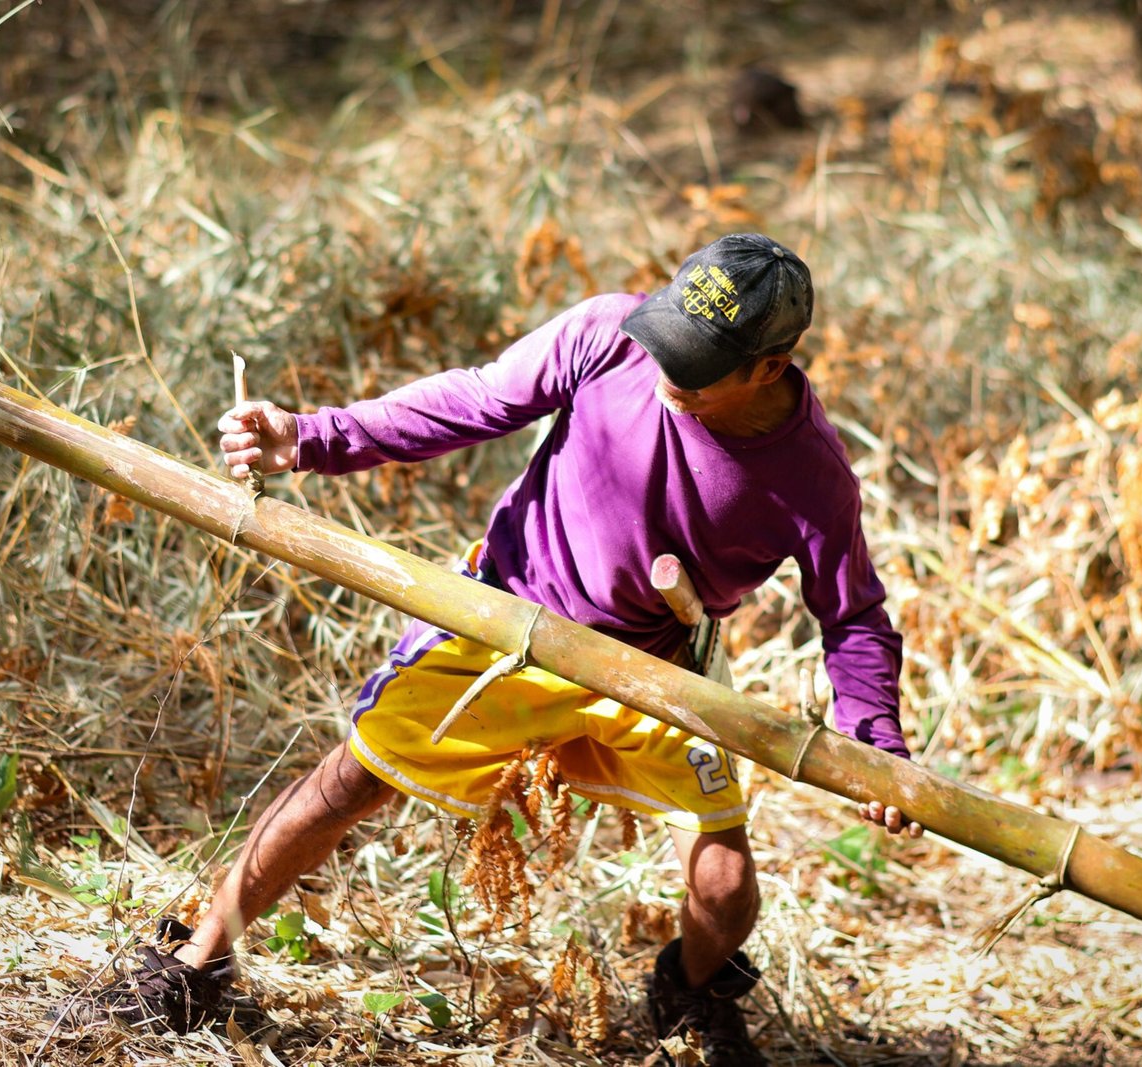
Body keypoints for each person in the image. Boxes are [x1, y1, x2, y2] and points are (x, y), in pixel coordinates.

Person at [69, 233, 922, 1064]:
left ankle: (691, 997)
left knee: (726, 884)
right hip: (507, 611)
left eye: (696, 365)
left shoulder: (812, 476)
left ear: (769, 368)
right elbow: (473, 399)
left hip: (659, 666)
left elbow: (852, 615)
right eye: (666, 341)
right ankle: (198, 955)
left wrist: (875, 740)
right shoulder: (605, 335)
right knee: (348, 782)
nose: (666, 371)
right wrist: (311, 437)